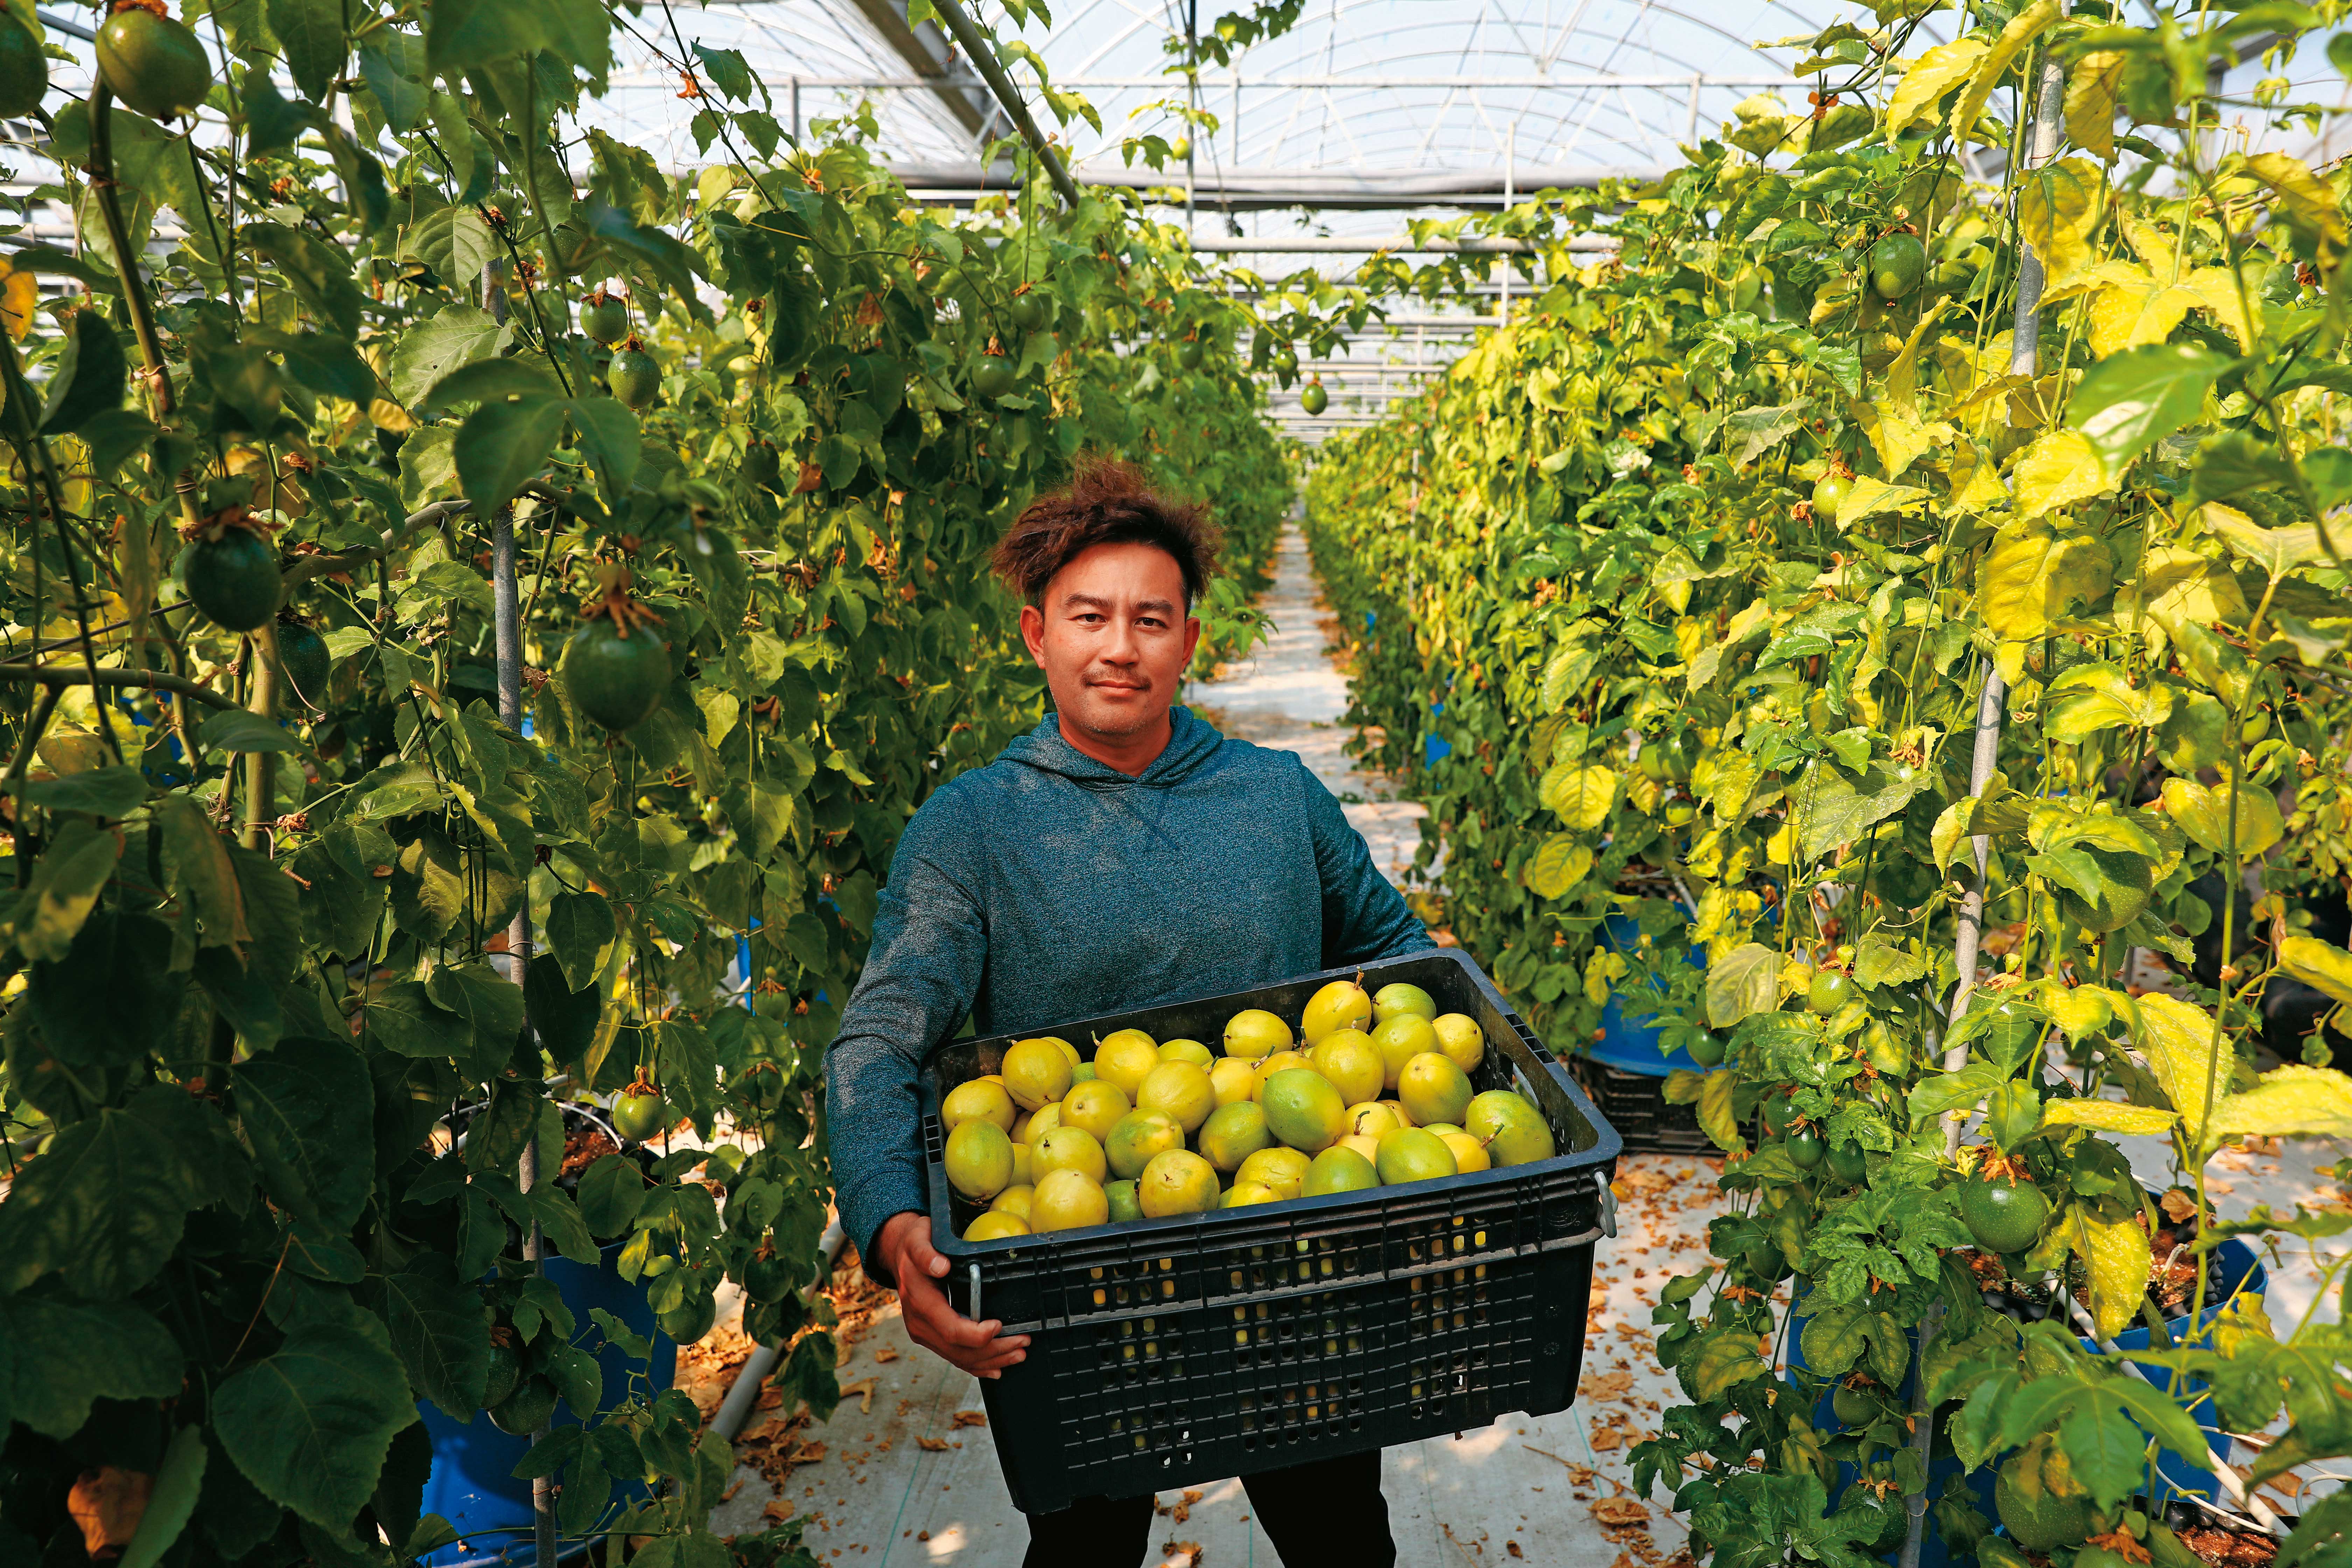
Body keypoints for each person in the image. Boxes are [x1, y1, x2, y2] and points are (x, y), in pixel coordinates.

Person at [824, 457, 1428, 1566]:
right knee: (1085, 1546)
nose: (1120, 646)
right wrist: (891, 1222)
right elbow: (884, 1032)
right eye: (1089, 617)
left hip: (1288, 1245)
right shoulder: (974, 828)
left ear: (1188, 642)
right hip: (1078, 1270)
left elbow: (1398, 955)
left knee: (1341, 1535)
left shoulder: (1275, 796)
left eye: (1151, 620)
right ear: (1035, 635)